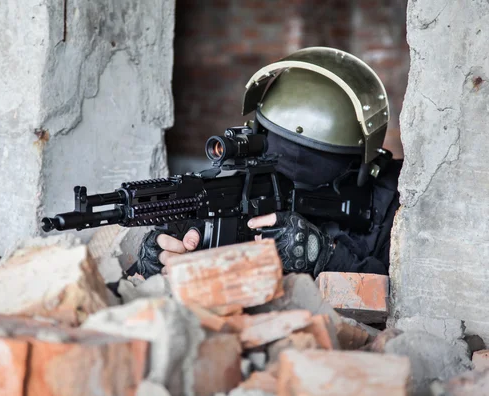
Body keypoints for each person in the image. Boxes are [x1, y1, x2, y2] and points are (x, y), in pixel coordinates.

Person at [129, 47, 402, 280]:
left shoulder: (397, 202)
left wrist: (323, 254)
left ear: (364, 164)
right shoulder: (232, 193)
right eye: (278, 147)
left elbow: (405, 298)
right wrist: (152, 262)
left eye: (316, 158)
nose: (292, 167)